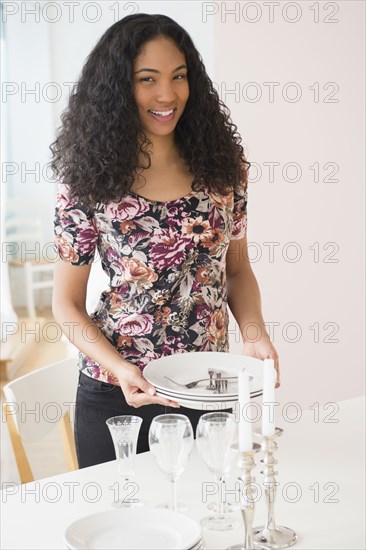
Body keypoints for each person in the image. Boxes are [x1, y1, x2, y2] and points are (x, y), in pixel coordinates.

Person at [50, 13, 280, 469]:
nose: (167, 95)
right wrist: (120, 369)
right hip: (120, 394)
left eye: (179, 77)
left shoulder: (224, 167)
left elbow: (236, 270)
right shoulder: (85, 181)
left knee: (207, 519)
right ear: (117, 90)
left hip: (208, 388)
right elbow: (65, 304)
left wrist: (253, 333)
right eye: (147, 79)